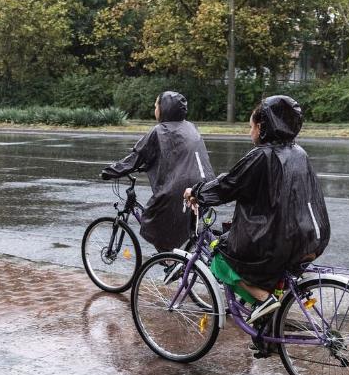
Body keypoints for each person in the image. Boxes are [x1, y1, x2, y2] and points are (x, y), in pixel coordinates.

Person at [184, 95, 330, 324]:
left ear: (262, 127)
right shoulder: (298, 152)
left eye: (250, 126)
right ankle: (270, 328)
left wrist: (197, 193)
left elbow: (228, 185)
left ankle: (263, 300)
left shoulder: (262, 155)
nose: (249, 131)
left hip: (278, 242)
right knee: (272, 276)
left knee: (220, 257)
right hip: (310, 237)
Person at [102, 91, 215, 252]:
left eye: (156, 105)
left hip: (181, 187)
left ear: (164, 108)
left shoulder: (160, 130)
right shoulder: (190, 126)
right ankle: (178, 260)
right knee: (187, 226)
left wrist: (110, 172)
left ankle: (169, 259)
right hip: (205, 183)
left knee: (154, 218)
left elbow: (136, 157)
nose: (155, 109)